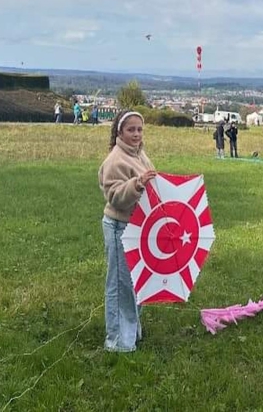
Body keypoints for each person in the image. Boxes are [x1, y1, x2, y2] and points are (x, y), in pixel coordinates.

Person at [98, 110, 156, 352]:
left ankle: (131, 331)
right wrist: (138, 183)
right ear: (119, 132)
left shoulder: (139, 154)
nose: (136, 134)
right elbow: (114, 197)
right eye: (131, 130)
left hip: (138, 226)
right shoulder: (115, 160)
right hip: (119, 226)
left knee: (136, 282)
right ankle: (118, 341)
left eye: (139, 129)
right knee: (121, 285)